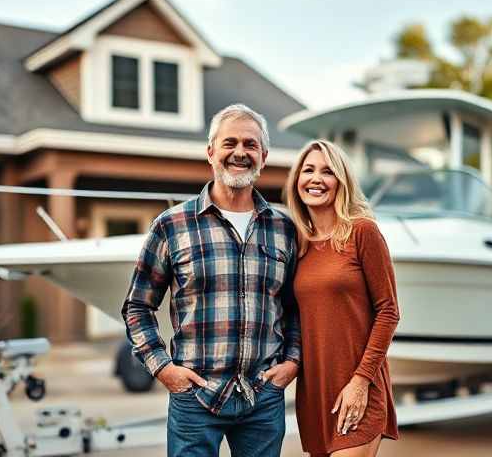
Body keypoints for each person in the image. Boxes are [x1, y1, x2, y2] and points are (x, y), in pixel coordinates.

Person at [122, 104, 301, 457]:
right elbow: (138, 306)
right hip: (194, 397)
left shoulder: (284, 229)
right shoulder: (172, 225)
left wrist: (293, 362)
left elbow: (295, 307)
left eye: (250, 145)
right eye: (229, 143)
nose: (239, 153)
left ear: (263, 156)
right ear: (211, 152)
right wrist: (164, 369)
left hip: (262, 396)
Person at [285, 140, 400, 457]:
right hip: (315, 392)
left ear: (342, 181)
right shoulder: (298, 244)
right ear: (297, 181)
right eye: (308, 170)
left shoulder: (362, 232)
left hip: (358, 386)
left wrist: (360, 381)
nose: (316, 179)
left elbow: (388, 311)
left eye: (328, 171)